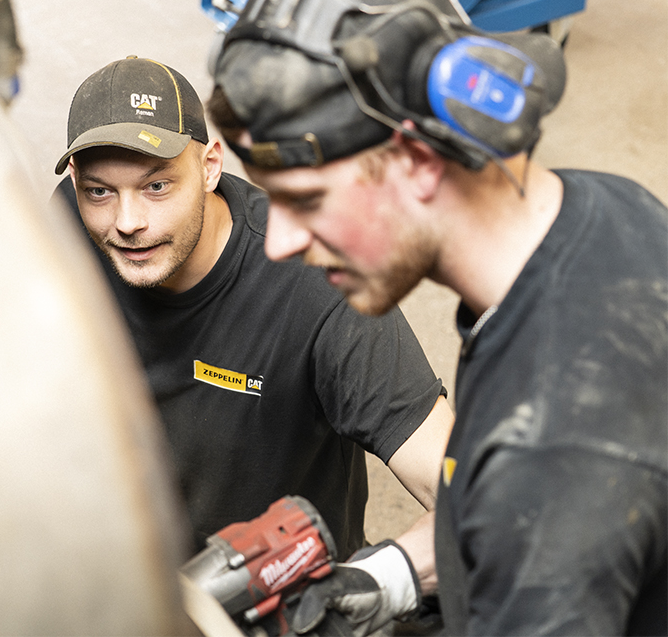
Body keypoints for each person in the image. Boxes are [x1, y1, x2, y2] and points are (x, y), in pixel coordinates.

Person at [207, 0, 668, 636]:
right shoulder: (602, 208)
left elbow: (529, 511)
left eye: (305, 200)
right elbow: (493, 509)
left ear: (418, 159)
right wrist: (388, 577)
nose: (279, 242)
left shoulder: (547, 454)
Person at [51, 55, 454, 601]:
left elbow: (459, 484)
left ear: (210, 166)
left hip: (283, 603)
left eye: (157, 187)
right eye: (100, 191)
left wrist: (385, 583)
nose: (127, 223)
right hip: (135, 587)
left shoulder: (313, 278)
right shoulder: (72, 234)